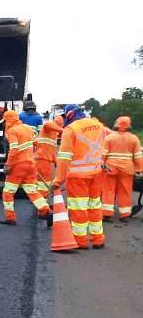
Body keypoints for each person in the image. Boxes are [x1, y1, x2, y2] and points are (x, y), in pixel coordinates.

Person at [53, 105, 107, 249]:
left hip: (78, 177)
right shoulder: (99, 125)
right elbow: (108, 144)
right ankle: (98, 238)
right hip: (97, 174)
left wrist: (58, 180)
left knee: (78, 208)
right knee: (94, 205)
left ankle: (80, 240)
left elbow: (64, 157)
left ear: (69, 115)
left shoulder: (70, 130)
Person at [0, 110, 50, 225]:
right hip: (30, 164)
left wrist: (8, 164)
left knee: (8, 192)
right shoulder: (28, 128)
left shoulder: (12, 131)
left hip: (18, 165)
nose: (4, 124)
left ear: (8, 121)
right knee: (32, 191)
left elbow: (14, 149)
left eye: (5, 122)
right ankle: (46, 211)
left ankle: (10, 218)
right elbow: (36, 143)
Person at [101, 116, 143, 223]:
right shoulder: (134, 138)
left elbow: (103, 154)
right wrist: (140, 169)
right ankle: (124, 215)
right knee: (125, 191)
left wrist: (102, 165)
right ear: (129, 126)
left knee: (108, 190)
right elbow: (138, 156)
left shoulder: (109, 138)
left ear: (116, 124)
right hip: (127, 169)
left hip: (111, 168)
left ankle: (106, 214)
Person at [34, 115, 64, 199]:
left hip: (46, 161)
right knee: (42, 184)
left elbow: (53, 152)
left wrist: (56, 163)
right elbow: (47, 125)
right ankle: (42, 206)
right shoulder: (48, 127)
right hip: (42, 160)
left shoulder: (53, 135)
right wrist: (63, 131)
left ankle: (42, 203)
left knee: (43, 183)